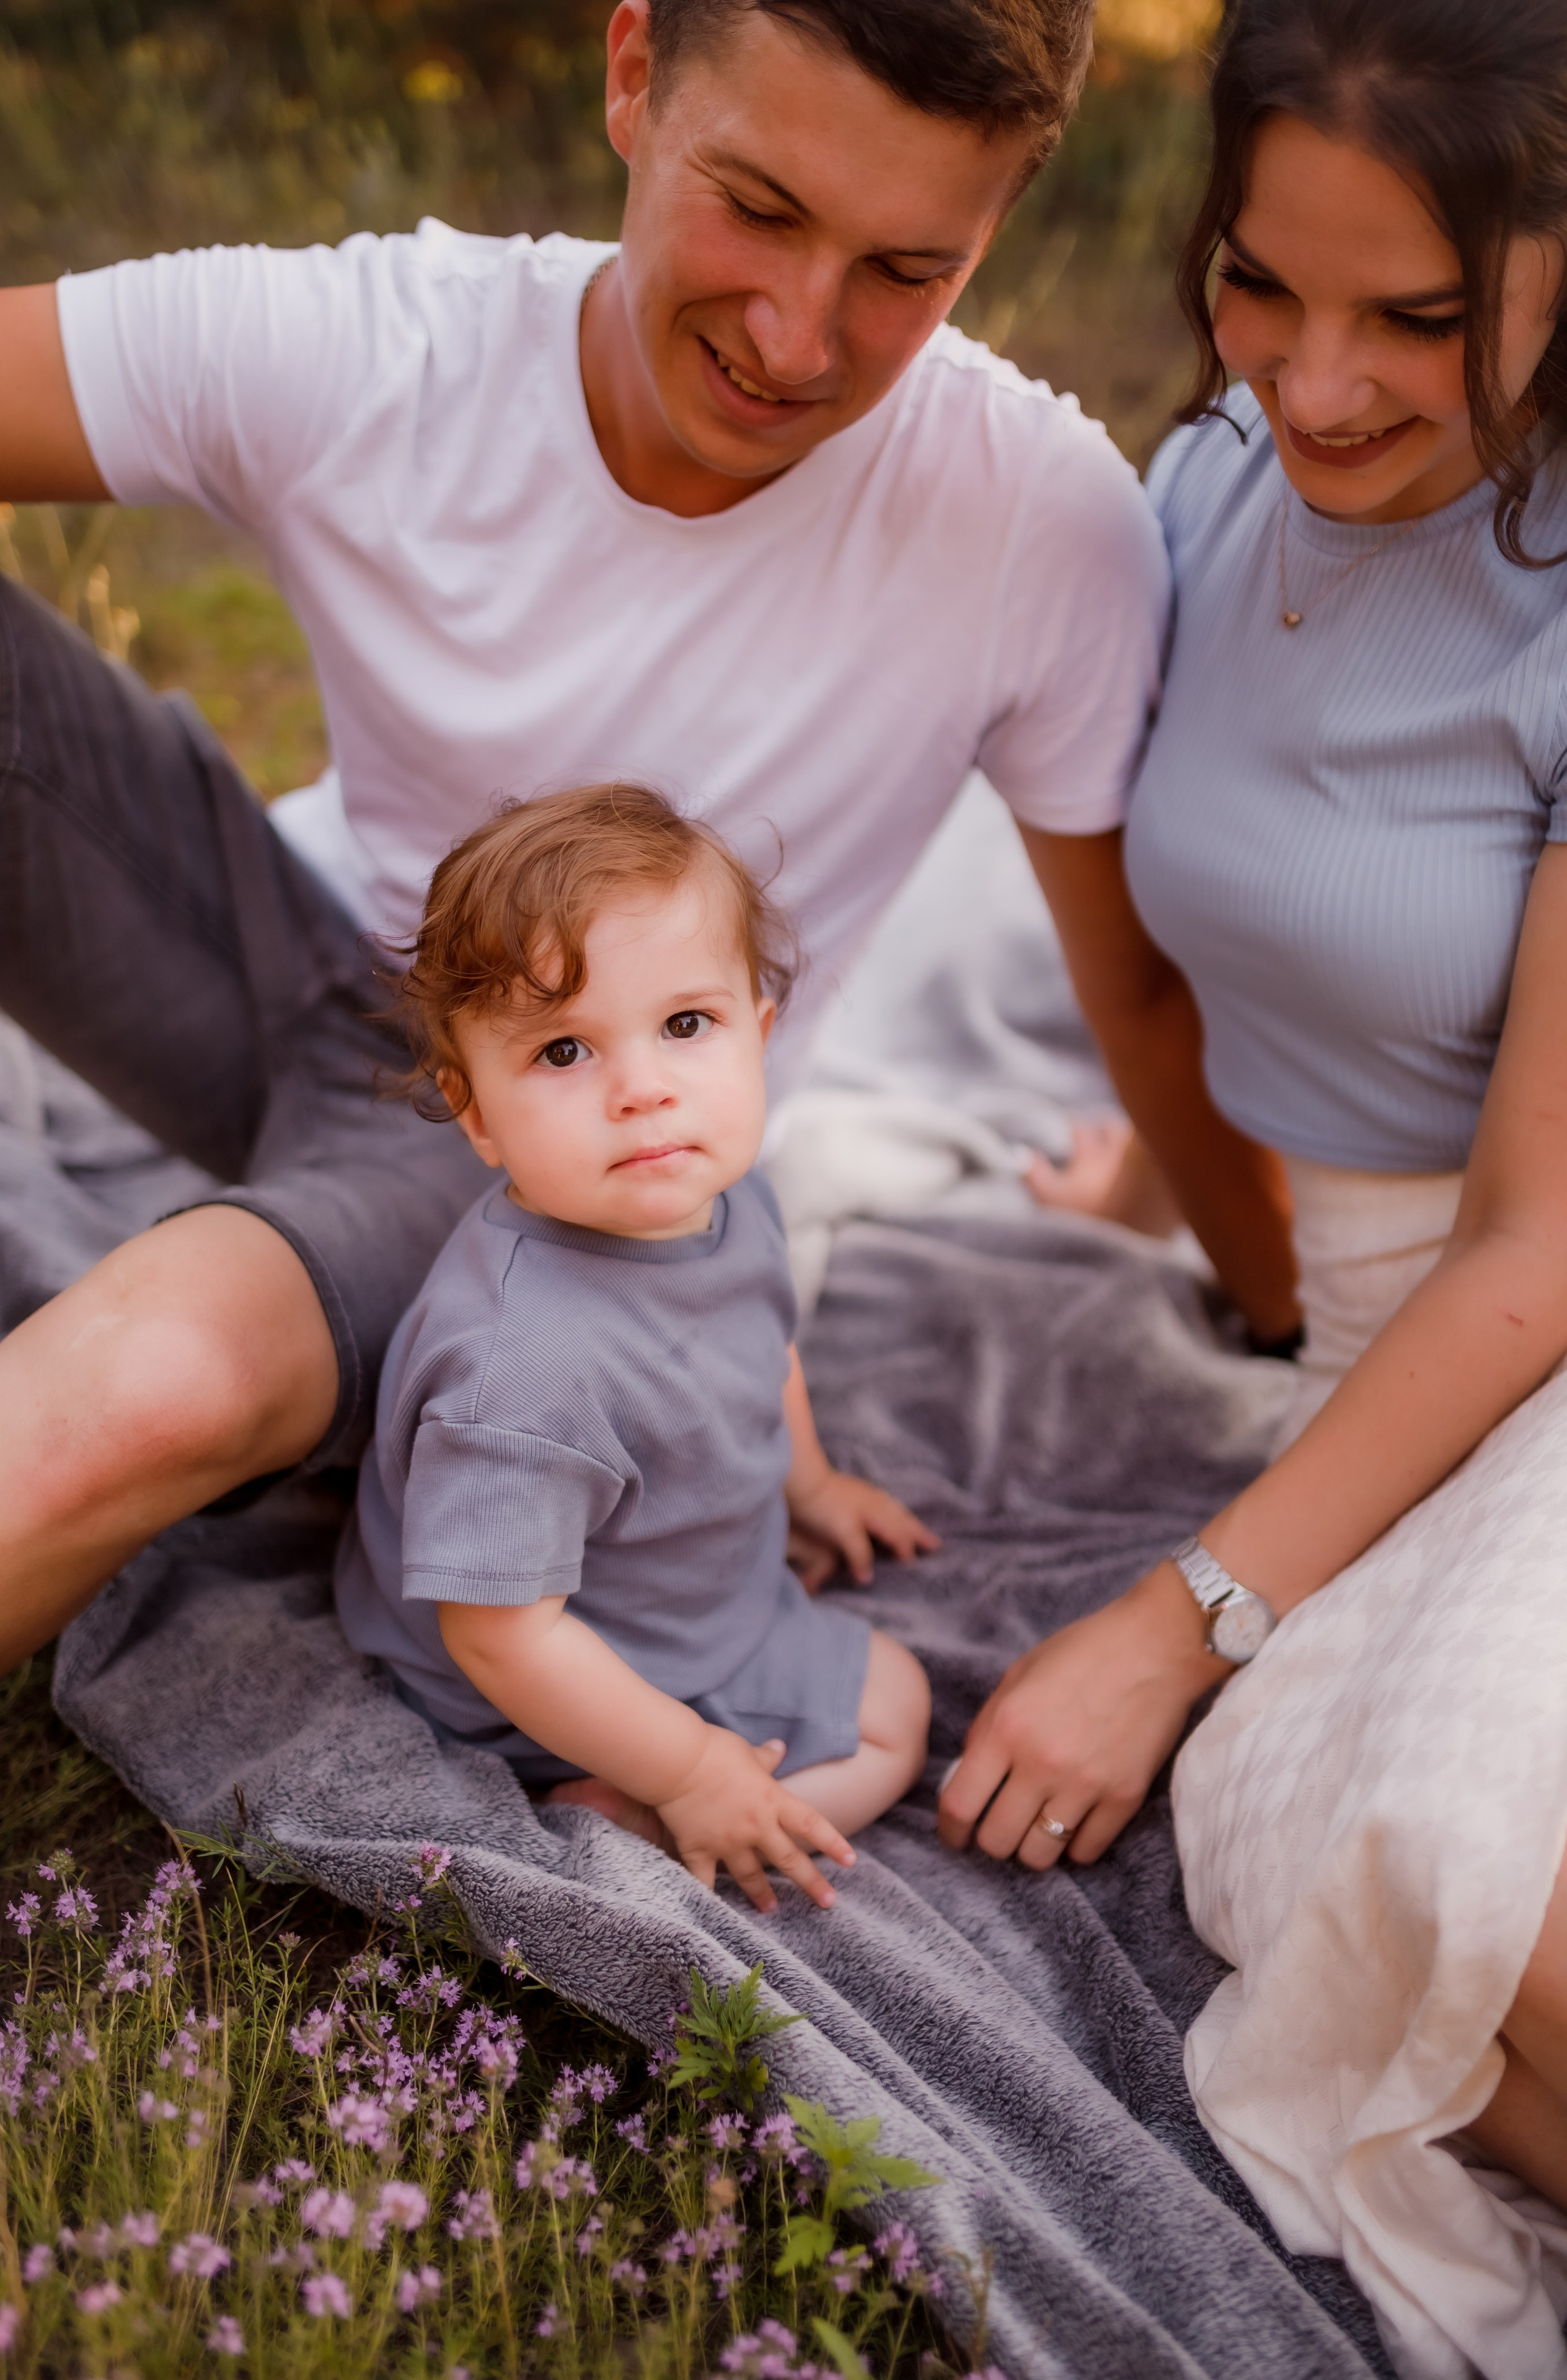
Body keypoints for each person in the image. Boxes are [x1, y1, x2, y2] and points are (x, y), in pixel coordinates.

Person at [0, 0, 1299, 1692]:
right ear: (632, 78)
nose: (796, 337)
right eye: (756, 208)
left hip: (514, 1142)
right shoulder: (385, 344)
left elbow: (1140, 996)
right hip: (267, 935)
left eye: (906, 270)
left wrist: (1291, 1332)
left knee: (148, 1386)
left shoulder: (1034, 527)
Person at [938, 2, 1567, 2370]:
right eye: (1258, 285)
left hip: (1534, 1312)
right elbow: (1213, 946)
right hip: (1389, 1360)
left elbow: (1537, 1243)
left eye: (1416, 315)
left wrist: (1172, 1619)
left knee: (1475, 1910)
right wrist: (1157, 1186)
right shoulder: (1203, 486)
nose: (1314, 380)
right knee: (1350, 1894)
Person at [336, 781, 936, 1911]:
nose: (644, 1091)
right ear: (476, 1114)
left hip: (674, 1586)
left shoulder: (724, 1194)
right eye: (564, 1051)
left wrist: (808, 1487)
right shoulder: (522, 1366)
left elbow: (764, 1341)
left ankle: (659, 1792)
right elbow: (501, 1639)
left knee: (885, 1692)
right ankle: (635, 1818)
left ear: (760, 1038)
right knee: (892, 1712)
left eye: (686, 1026)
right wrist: (691, 1767)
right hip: (559, 1682)